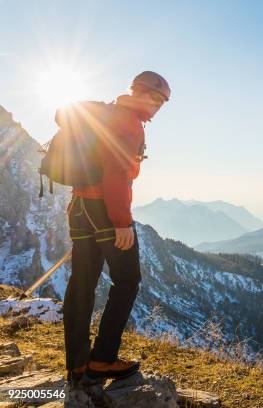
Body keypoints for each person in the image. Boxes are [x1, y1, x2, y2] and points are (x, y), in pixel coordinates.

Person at [62, 71, 170, 386]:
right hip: (105, 209)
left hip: (79, 207)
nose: (158, 107)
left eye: (162, 103)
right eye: (158, 99)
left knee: (82, 282)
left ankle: (78, 365)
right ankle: (103, 360)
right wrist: (122, 222)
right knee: (127, 280)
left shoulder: (108, 112)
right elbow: (115, 173)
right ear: (144, 93)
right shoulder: (129, 123)